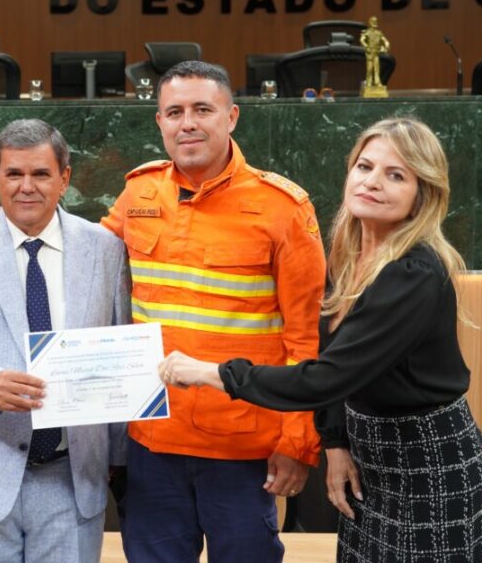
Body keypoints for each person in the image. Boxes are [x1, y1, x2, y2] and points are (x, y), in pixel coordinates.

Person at [159, 117, 482, 562]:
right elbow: (332, 357)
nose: (373, 182)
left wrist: (211, 372)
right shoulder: (348, 257)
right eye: (365, 167)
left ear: (423, 195)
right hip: (371, 462)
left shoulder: (414, 273)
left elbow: (324, 379)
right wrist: (336, 442)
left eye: (396, 175)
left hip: (431, 466)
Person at [100, 60, 326, 562]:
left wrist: (297, 441)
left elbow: (305, 340)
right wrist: (4, 227)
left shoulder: (282, 207)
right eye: (174, 111)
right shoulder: (139, 190)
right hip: (152, 438)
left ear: (232, 117)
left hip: (243, 445)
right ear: (159, 122)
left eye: (203, 109)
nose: (188, 123)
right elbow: (81, 255)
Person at [0, 119, 131, 563]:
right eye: (13, 174)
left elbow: (121, 346)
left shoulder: (106, 250)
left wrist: (120, 454)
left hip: (72, 479)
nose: (25, 187)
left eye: (40, 174)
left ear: (64, 177)